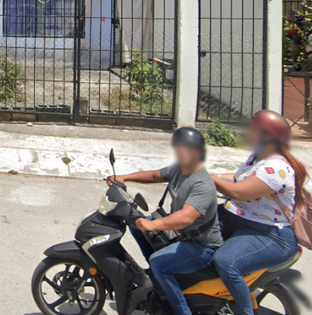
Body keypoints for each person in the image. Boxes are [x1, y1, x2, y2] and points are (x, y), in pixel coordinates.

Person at [106, 127, 223, 315]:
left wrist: (153, 224)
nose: (181, 151)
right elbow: (155, 175)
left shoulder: (202, 183)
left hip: (202, 246)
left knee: (159, 263)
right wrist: (124, 177)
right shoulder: (180, 169)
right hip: (181, 234)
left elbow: (187, 217)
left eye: (187, 148)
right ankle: (157, 279)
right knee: (137, 226)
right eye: (178, 147)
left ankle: (181, 311)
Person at [210, 111, 305, 315]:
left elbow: (239, 192)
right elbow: (239, 178)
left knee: (226, 263)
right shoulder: (257, 157)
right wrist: (214, 175)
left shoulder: (276, 168)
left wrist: (208, 178)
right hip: (241, 222)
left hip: (271, 235)